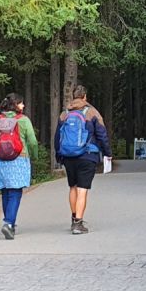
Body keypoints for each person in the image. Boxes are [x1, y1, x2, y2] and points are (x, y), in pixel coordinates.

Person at [55, 84, 109, 235]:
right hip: (87, 155)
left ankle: (73, 218)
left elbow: (58, 137)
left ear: (73, 97)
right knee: (82, 189)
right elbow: (102, 134)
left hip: (68, 156)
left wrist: (59, 154)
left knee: (72, 187)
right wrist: (107, 153)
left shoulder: (64, 113)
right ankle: (78, 224)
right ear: (85, 96)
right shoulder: (91, 112)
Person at [0, 92, 40, 239]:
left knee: (6, 192)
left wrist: (0, 145)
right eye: (21, 103)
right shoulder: (23, 120)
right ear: (15, 105)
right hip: (19, 159)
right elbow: (33, 141)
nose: (23, 105)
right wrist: (33, 155)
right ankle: (8, 223)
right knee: (15, 192)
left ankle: (10, 224)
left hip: (0, 160)